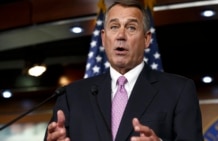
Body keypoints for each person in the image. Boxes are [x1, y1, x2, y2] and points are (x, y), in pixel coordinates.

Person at [44, 0, 204, 141]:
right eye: (114, 27)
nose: (121, 35)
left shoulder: (179, 90)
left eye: (131, 28)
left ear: (146, 39)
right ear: (104, 38)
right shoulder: (71, 96)